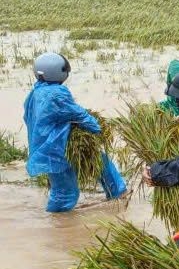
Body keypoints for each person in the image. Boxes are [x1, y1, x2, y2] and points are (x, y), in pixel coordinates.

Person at [23, 52, 126, 212]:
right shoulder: (57, 93)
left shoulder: (35, 92)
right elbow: (77, 114)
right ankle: (56, 220)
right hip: (56, 149)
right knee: (66, 193)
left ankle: (118, 193)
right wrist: (96, 127)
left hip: (47, 146)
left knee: (100, 161)